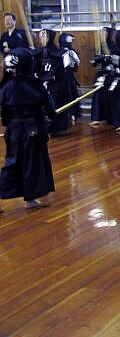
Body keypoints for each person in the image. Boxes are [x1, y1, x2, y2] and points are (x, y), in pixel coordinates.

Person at [0, 48, 55, 212]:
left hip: (13, 131)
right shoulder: (35, 86)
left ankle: (30, 199)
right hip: (32, 130)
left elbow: (5, 111)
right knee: (32, 165)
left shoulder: (5, 87)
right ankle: (30, 199)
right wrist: (52, 114)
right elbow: (50, 109)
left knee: (12, 163)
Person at [32, 29, 69, 136]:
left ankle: (55, 128)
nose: (43, 39)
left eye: (45, 37)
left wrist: (50, 78)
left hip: (55, 84)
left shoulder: (59, 53)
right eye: (41, 36)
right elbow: (35, 68)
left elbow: (60, 72)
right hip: (41, 83)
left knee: (55, 104)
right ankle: (41, 127)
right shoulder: (37, 53)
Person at [90, 27, 117, 127]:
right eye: (101, 33)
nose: (102, 35)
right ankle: (97, 118)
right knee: (98, 96)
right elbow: (93, 62)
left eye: (104, 33)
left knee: (111, 97)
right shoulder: (98, 47)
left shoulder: (113, 46)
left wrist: (107, 57)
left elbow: (114, 60)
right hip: (100, 76)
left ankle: (111, 118)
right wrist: (97, 60)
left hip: (111, 76)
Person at [58, 33, 81, 122]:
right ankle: (69, 114)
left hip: (67, 76)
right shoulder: (66, 51)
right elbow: (77, 62)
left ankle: (72, 113)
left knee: (70, 94)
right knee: (67, 94)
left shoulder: (69, 52)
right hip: (63, 76)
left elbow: (76, 62)